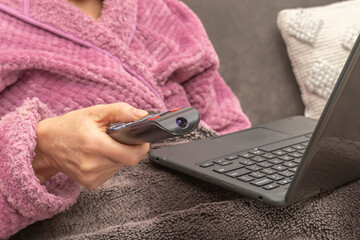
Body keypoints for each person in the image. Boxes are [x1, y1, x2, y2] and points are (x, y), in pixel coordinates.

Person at [0, 0, 251, 238]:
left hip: (212, 201)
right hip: (86, 221)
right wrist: (42, 153)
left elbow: (225, 121)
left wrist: (251, 169)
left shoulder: (161, 9)